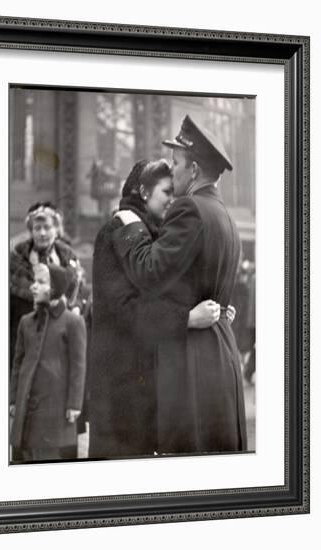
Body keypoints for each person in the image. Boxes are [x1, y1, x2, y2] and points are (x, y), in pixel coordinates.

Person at [113, 115, 247, 454]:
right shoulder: (226, 218)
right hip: (221, 356)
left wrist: (130, 226)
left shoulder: (189, 208)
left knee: (185, 463)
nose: (171, 173)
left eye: (176, 163)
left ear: (195, 169)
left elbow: (150, 271)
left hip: (191, 364)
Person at [89, 158, 230, 459]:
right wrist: (187, 319)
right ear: (143, 191)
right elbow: (124, 310)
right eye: (166, 192)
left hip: (145, 386)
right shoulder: (115, 231)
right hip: (120, 389)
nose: (172, 200)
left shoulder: (152, 233)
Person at [9, 263, 87, 462]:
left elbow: (78, 366)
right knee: (24, 457)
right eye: (34, 281)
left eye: (41, 282)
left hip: (55, 408)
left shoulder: (73, 322)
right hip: (26, 407)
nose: (33, 286)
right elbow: (18, 365)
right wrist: (12, 399)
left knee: (50, 459)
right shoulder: (26, 322)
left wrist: (74, 404)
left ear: (56, 288)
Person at [9, 203, 79, 371]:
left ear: (56, 230)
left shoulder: (68, 258)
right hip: (23, 334)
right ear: (31, 231)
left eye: (47, 227)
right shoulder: (17, 259)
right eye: (37, 228)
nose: (42, 233)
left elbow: (73, 295)